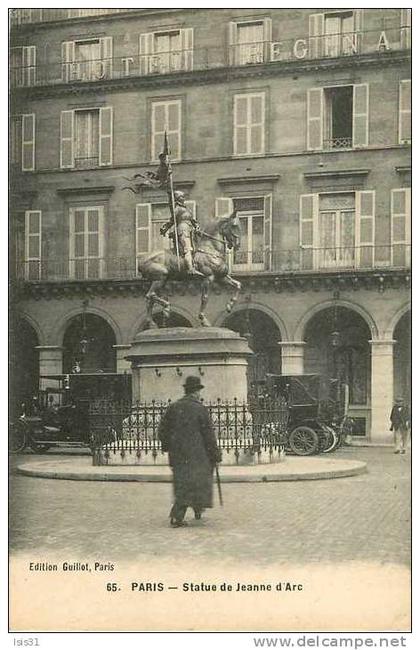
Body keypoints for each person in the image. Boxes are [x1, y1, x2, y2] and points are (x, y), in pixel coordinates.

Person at [158, 376, 222, 527]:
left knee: (183, 482)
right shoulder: (200, 409)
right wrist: (215, 455)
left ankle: (197, 508)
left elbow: (162, 431)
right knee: (197, 482)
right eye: (199, 391)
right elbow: (208, 436)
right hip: (198, 455)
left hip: (178, 455)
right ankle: (177, 516)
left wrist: (168, 447)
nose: (200, 394)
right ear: (195, 392)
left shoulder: (173, 408)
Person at [160, 190, 203, 275]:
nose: (183, 198)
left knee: (196, 249)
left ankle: (196, 265)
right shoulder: (177, 209)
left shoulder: (187, 209)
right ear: (177, 199)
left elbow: (193, 220)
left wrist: (197, 227)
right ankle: (190, 269)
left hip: (191, 231)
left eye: (183, 197)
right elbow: (172, 220)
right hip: (183, 230)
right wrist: (165, 227)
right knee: (187, 249)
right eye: (181, 197)